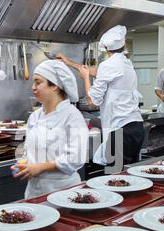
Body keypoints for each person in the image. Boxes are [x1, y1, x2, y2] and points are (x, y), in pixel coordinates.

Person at [57, 25, 144, 168]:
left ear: (106, 49)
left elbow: (92, 101)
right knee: (129, 175)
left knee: (114, 178)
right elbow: (96, 71)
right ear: (124, 45)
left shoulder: (108, 65)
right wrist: (68, 63)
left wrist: (85, 78)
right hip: (136, 128)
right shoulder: (126, 63)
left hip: (120, 132)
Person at [12, 60, 88, 199]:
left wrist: (40, 167)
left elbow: (75, 158)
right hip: (34, 191)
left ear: (54, 86)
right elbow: (29, 149)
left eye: (38, 82)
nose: (33, 88)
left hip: (64, 192)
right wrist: (24, 164)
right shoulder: (35, 116)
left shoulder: (72, 115)